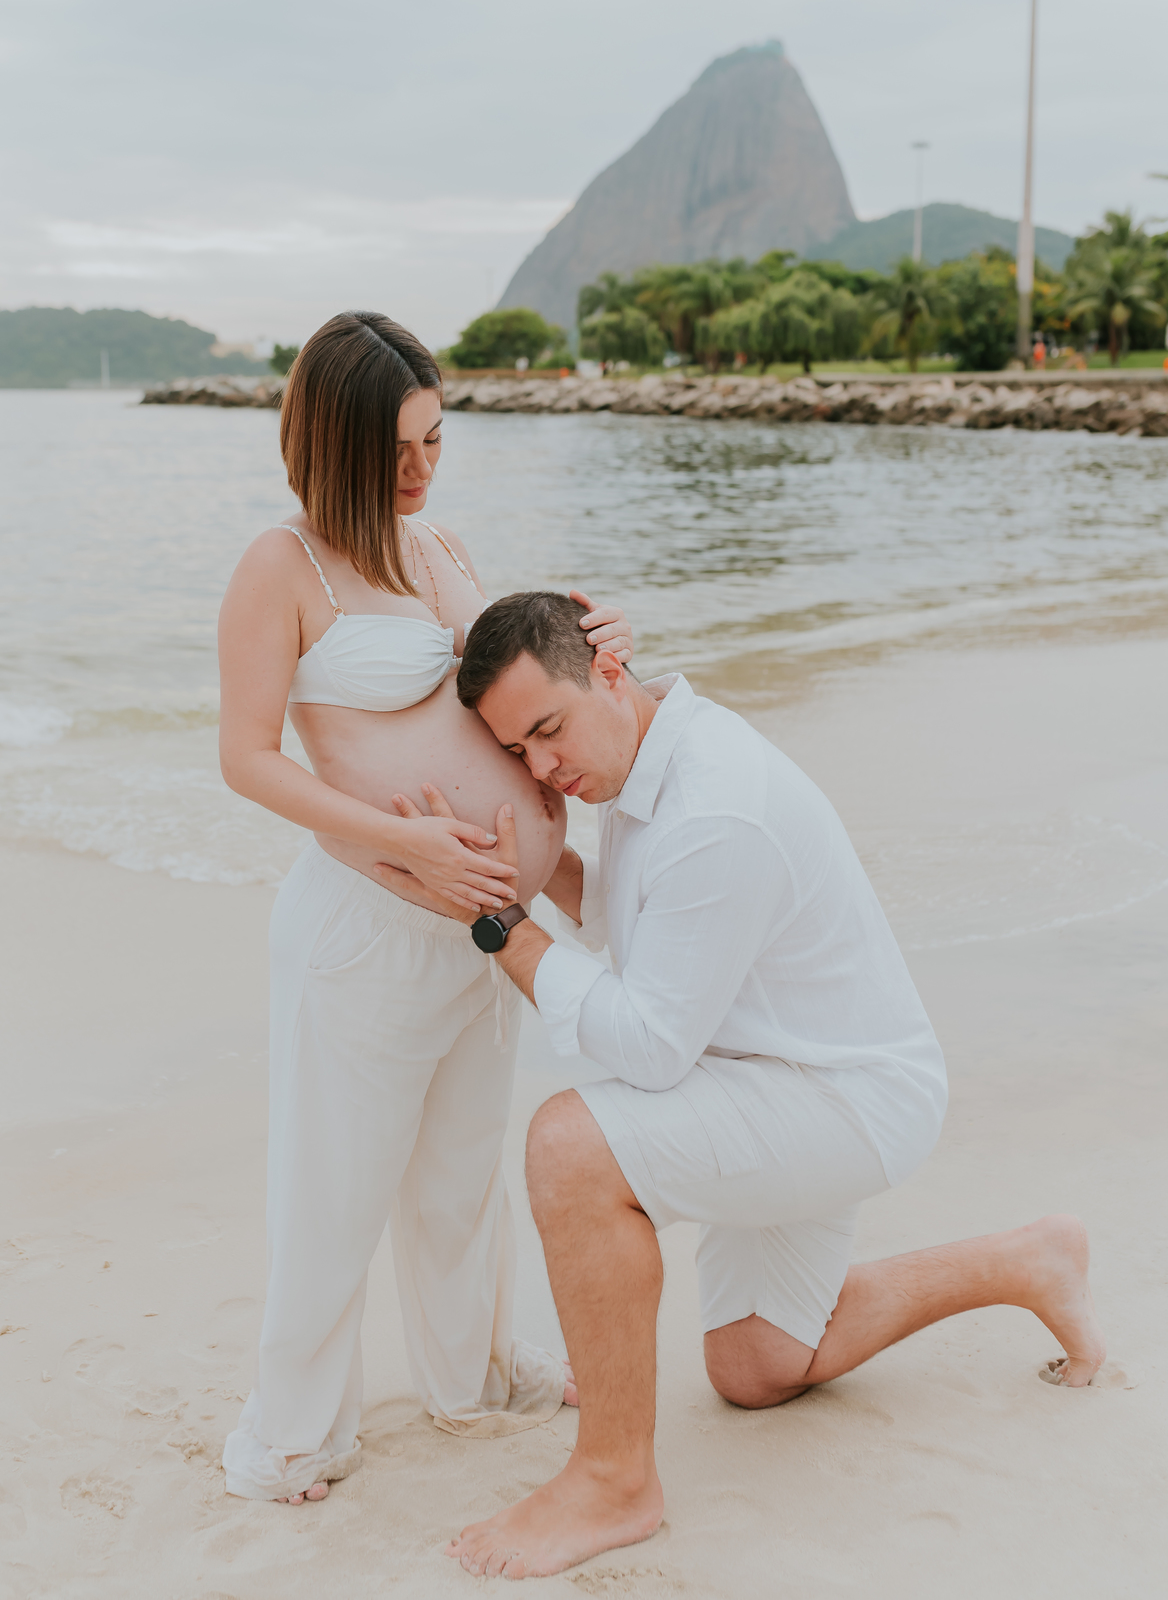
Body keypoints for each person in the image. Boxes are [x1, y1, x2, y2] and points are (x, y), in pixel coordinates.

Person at [372, 591, 1107, 1581]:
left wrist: (498, 920)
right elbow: (656, 925)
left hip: (843, 1099)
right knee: (758, 1369)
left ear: (610, 673)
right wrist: (538, 871)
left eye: (548, 730)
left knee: (570, 1146)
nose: (543, 768)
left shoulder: (715, 806)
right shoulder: (648, 758)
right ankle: (1027, 1261)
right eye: (518, 753)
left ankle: (613, 1481)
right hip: (789, 1076)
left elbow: (651, 1047)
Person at [216, 319, 632, 1505]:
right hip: (368, 934)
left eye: (437, 440)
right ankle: (291, 1437)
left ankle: (473, 1378)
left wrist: (602, 649)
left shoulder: (438, 546)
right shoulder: (280, 567)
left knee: (460, 1176)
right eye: (398, 449)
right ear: (330, 443)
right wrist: (410, 844)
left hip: (480, 933)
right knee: (334, 1189)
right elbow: (248, 758)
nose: (421, 470)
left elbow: (513, 697)